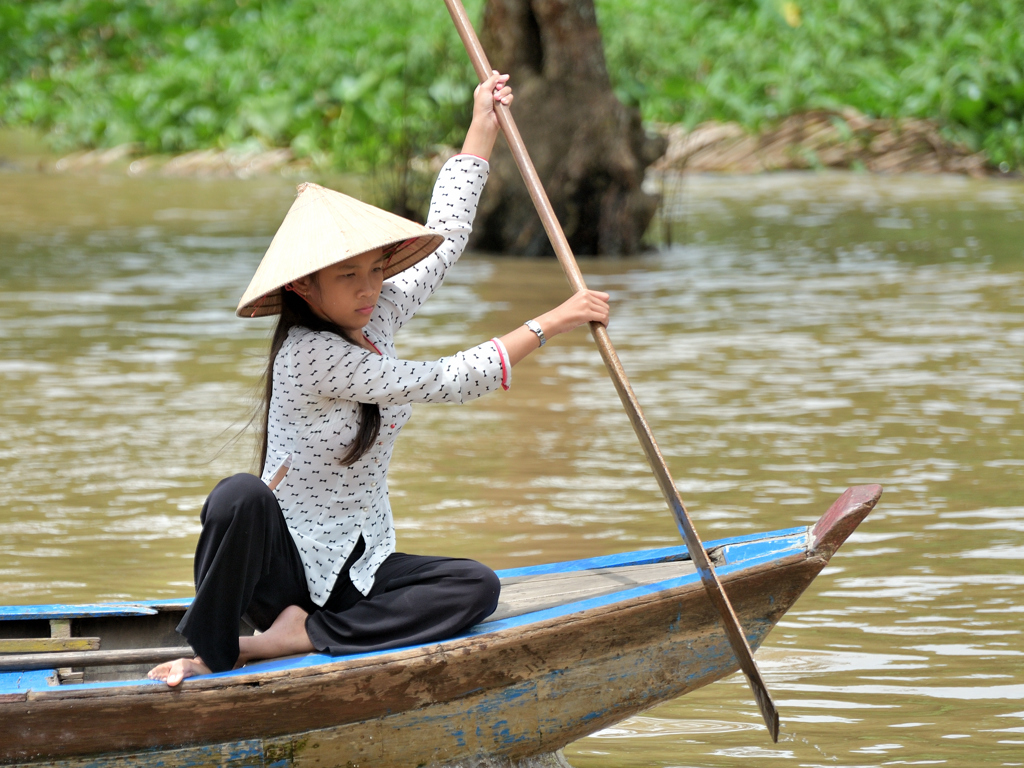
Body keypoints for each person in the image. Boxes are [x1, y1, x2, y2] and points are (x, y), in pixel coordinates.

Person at [148, 71, 610, 686]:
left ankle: (306, 637)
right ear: (303, 287)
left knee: (475, 586)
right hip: (282, 575)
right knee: (240, 495)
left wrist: (482, 126)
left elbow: (447, 238)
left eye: (374, 271)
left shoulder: (375, 310)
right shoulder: (309, 354)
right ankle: (222, 646)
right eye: (348, 278)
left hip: (356, 566)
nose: (369, 289)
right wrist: (556, 319)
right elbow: (448, 379)